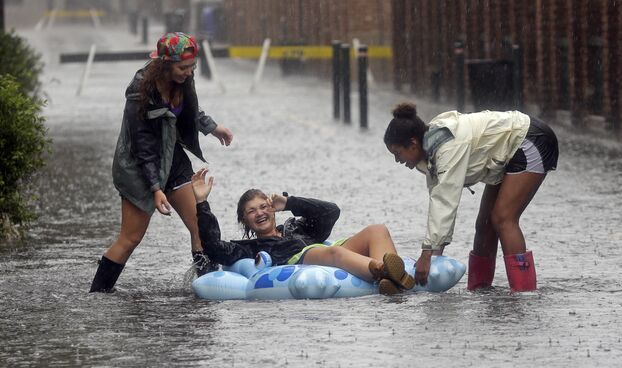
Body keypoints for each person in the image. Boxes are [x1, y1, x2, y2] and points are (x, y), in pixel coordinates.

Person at [89, 32, 234, 292]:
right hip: (138, 167)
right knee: (131, 237)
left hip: (173, 159)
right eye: (182, 68)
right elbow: (142, 146)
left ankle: (208, 289)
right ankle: (98, 294)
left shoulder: (183, 79)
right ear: (165, 64)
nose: (189, 73)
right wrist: (156, 189)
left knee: (200, 227)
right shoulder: (140, 90)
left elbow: (191, 109)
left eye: (192, 67)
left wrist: (212, 127)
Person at [383, 103, 558, 292]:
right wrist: (434, 256)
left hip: (529, 140)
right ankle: (479, 290)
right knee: (484, 224)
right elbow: (437, 203)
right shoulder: (430, 145)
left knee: (503, 218)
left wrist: (426, 255)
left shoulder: (447, 147)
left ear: (413, 143)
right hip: (506, 153)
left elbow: (444, 202)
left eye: (397, 153)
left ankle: (524, 293)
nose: (397, 161)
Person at [191, 168, 416, 295]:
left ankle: (390, 281)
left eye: (263, 206)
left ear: (272, 209)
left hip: (323, 250)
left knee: (377, 229)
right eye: (251, 211)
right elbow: (212, 247)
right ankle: (384, 271)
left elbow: (331, 212)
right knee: (332, 254)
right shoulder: (247, 248)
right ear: (244, 220)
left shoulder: (294, 226)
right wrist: (202, 203)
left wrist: (290, 202)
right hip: (300, 260)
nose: (259, 213)